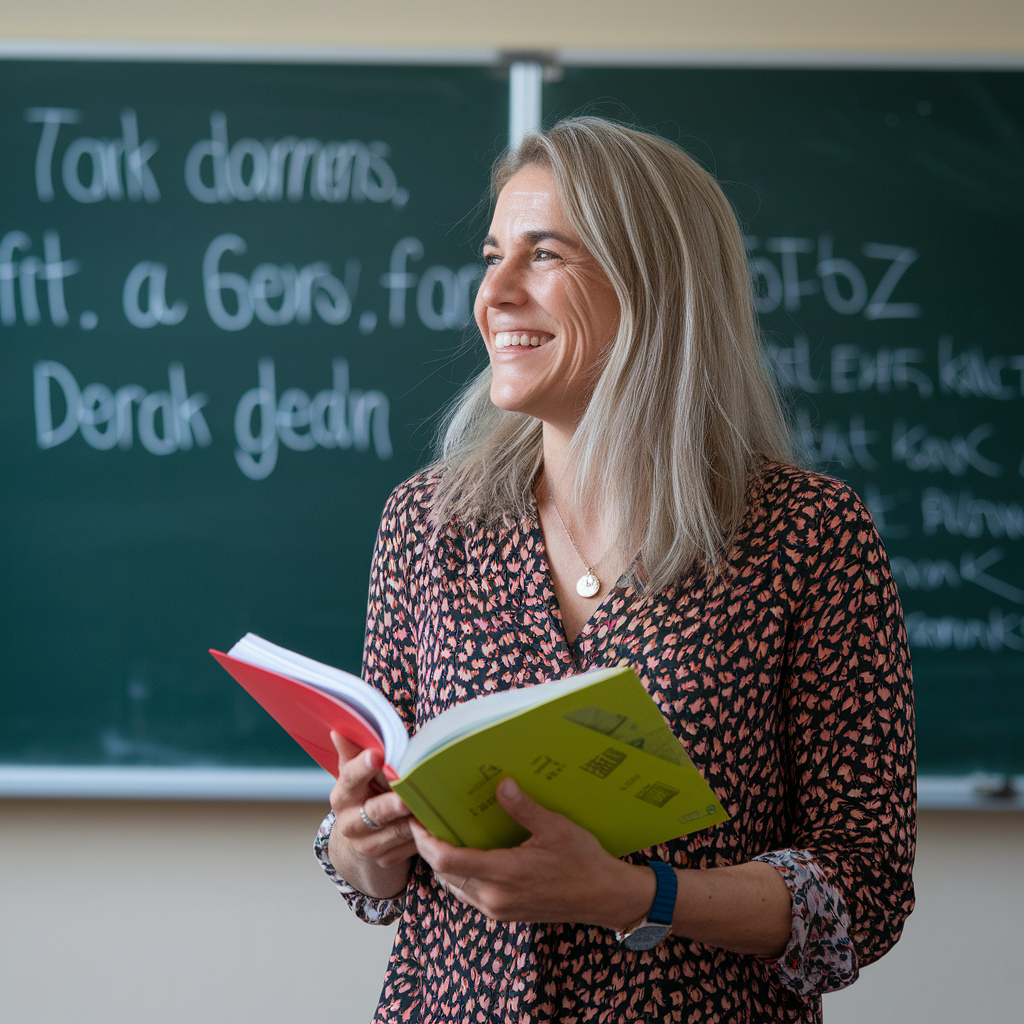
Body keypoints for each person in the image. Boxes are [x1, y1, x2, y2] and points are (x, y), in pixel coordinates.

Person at [314, 117, 916, 1023]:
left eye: (543, 254)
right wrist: (363, 846)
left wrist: (633, 897)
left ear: (654, 283)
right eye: (492, 255)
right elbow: (377, 860)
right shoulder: (427, 524)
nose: (495, 293)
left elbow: (863, 893)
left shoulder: (811, 534)